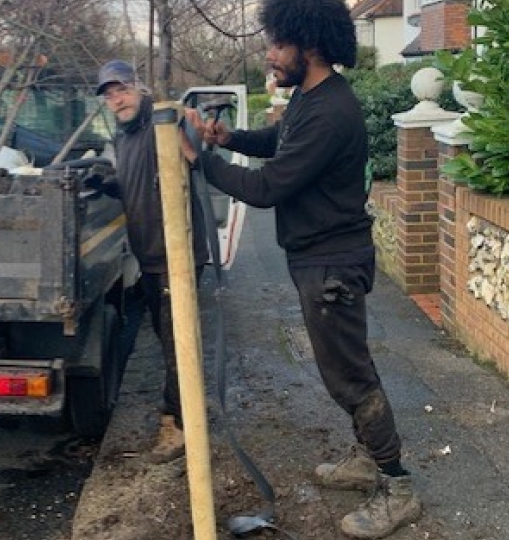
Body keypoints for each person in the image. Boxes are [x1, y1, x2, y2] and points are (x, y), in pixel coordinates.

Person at [180, 0, 421, 537]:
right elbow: (277, 143)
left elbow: (267, 187)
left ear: (306, 43)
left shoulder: (333, 110)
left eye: (275, 43)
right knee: (343, 370)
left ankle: (397, 486)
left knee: (350, 376)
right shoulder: (311, 99)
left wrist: (203, 161)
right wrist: (229, 139)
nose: (269, 55)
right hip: (319, 256)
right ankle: (366, 459)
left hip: (332, 263)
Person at [95, 59, 209, 463]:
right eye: (109, 95)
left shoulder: (163, 124)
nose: (116, 100)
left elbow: (194, 148)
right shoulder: (124, 137)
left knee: (179, 343)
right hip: (151, 257)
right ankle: (186, 410)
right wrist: (105, 184)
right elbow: (135, 185)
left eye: (121, 90)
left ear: (138, 87)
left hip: (177, 256)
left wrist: (186, 124)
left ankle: (180, 427)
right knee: (170, 340)